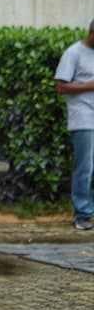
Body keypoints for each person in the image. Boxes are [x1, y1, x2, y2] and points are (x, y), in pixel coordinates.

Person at [55, 20, 94, 231]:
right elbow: (60, 86)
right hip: (83, 117)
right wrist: (90, 85)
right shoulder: (73, 53)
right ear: (91, 33)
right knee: (85, 167)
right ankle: (82, 214)